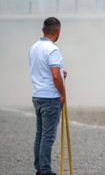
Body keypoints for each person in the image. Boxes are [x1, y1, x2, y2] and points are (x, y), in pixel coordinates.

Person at [29, 17, 66, 175]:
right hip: (51, 97)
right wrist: (62, 93)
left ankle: (39, 167)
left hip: (37, 95)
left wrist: (61, 73)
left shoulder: (34, 47)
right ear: (58, 32)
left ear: (43, 30)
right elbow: (55, 76)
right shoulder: (52, 49)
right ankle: (45, 170)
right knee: (48, 137)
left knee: (40, 133)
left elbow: (43, 70)